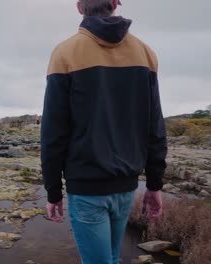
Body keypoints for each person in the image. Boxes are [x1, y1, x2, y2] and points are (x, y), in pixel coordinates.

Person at [40, 0, 168, 263]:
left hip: (86, 188)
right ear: (114, 4)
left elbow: (53, 132)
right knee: (110, 258)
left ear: (79, 7)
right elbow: (155, 125)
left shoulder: (65, 53)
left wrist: (53, 191)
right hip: (126, 186)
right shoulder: (145, 53)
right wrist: (154, 184)